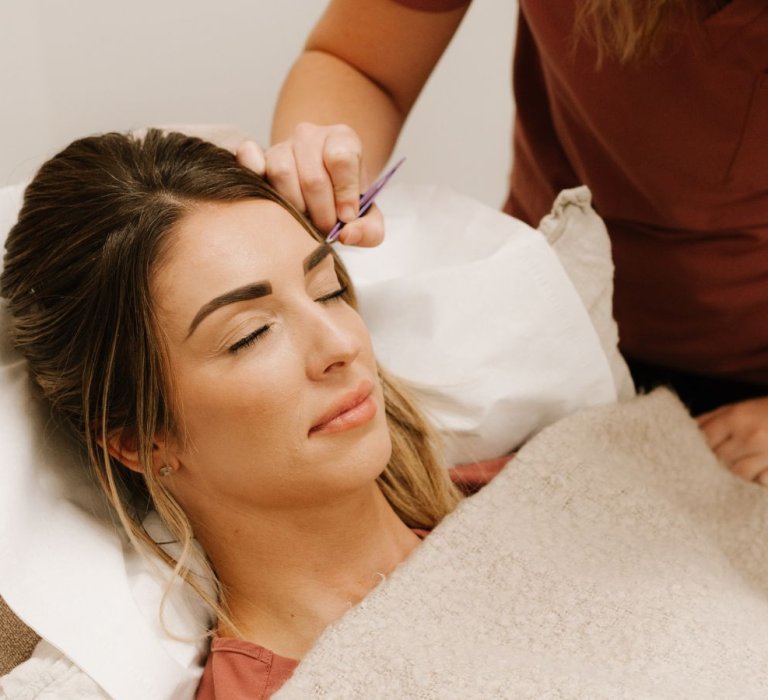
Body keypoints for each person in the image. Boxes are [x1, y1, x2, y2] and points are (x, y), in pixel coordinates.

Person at [0, 129, 462, 698]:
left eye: (326, 290)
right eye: (251, 335)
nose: (339, 344)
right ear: (139, 440)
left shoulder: (555, 487)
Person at [242, 0, 768, 485]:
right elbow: (362, 64)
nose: (333, 350)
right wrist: (323, 163)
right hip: (546, 320)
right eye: (243, 337)